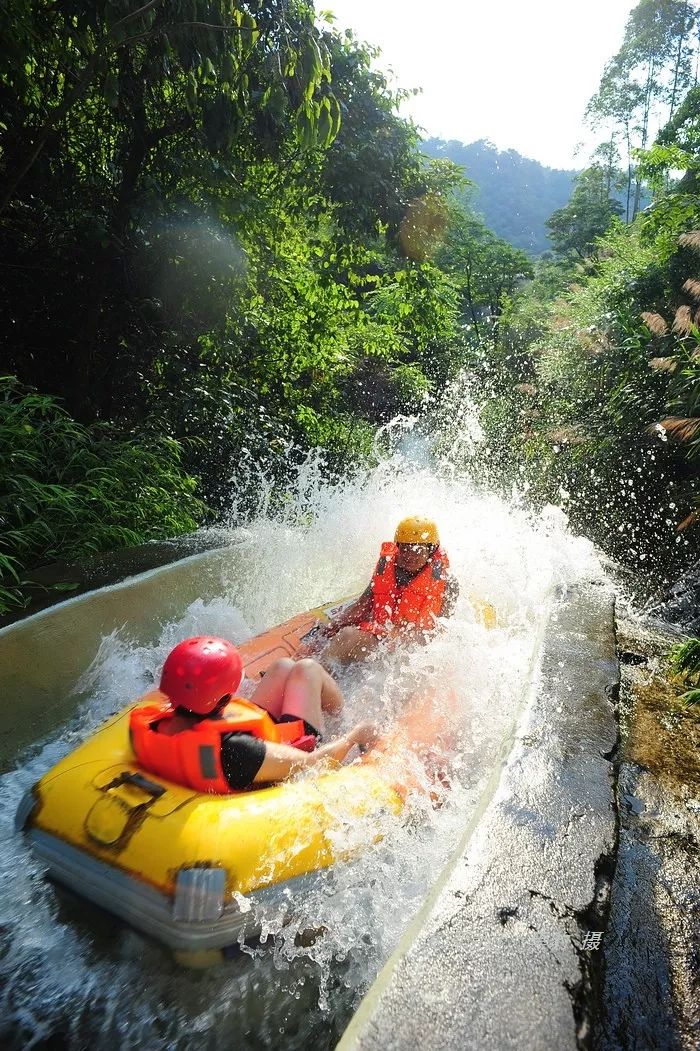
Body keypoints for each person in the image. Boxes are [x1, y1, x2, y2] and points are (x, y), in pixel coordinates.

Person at [130, 637, 378, 793]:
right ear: (224, 699)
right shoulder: (236, 750)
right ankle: (341, 715)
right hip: (290, 750)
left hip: (245, 746)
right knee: (308, 669)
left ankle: (318, 696)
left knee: (282, 666)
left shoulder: (150, 724)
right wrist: (354, 735)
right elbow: (313, 763)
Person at [311, 516, 458, 665]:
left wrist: (403, 637)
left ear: (431, 550)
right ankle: (316, 676)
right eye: (405, 549)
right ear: (398, 547)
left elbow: (443, 631)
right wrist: (331, 627)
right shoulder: (387, 569)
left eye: (417, 550)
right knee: (346, 637)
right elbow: (361, 608)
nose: (410, 556)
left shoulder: (447, 583)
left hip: (416, 650)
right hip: (381, 639)